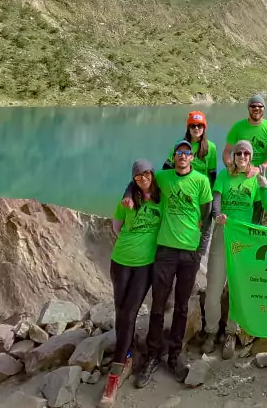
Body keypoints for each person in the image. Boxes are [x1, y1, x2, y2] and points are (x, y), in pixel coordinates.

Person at [135, 139, 213, 387]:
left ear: (191, 158)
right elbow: (140, 181)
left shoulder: (201, 180)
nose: (182, 156)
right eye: (179, 153)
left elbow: (206, 209)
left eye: (186, 153)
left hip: (189, 252)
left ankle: (174, 355)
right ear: (174, 156)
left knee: (181, 306)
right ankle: (153, 355)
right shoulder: (164, 177)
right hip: (166, 251)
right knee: (158, 304)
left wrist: (198, 244)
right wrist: (128, 195)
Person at [100, 160, 162, 408]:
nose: (143, 178)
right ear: (134, 180)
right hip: (120, 262)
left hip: (145, 266)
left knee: (129, 312)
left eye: (146, 174)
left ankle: (114, 376)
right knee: (120, 311)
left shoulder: (161, 199)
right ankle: (125, 354)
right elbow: (116, 227)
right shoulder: (127, 201)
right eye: (138, 176)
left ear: (152, 174)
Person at [203, 140, 267, 359]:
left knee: (237, 289)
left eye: (246, 153)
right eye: (238, 153)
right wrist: (217, 216)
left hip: (243, 241)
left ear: (251, 157)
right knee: (213, 290)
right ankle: (211, 332)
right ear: (233, 156)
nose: (242, 157)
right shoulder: (224, 176)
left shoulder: (254, 179)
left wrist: (263, 185)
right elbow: (216, 201)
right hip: (222, 235)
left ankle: (232, 333)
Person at [223, 94, 267, 177]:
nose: (256, 108)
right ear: (248, 108)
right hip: (239, 174)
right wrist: (231, 166)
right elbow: (227, 152)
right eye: (253, 106)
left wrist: (260, 168)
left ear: (264, 108)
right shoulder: (237, 127)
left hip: (259, 176)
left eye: (260, 106)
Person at [166, 111, 218, 187]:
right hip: (181, 184)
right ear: (188, 128)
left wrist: (211, 191)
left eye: (199, 126)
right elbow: (168, 166)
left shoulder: (211, 146)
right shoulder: (179, 144)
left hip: (201, 186)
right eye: (193, 126)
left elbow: (212, 172)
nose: (196, 128)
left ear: (204, 128)